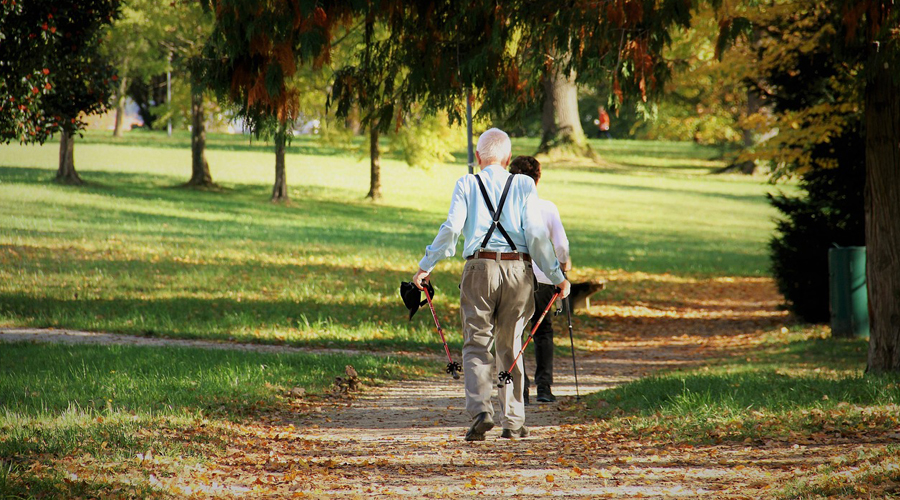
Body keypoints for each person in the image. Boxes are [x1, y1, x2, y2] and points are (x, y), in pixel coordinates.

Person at [412, 128, 571, 441]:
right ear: (508, 158)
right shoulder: (524, 184)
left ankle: (481, 411)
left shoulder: (467, 183)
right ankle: (513, 421)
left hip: (479, 268)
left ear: (477, 158)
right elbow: (537, 237)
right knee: (511, 345)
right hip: (518, 271)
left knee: (476, 342)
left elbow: (452, 228)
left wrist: (425, 266)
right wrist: (557, 276)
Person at [508, 156, 571, 404]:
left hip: (515, 276)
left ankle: (520, 389)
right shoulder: (547, 207)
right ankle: (544, 387)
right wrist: (563, 266)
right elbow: (561, 245)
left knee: (516, 331)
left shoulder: (508, 208)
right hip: (545, 277)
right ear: (538, 178)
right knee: (543, 331)